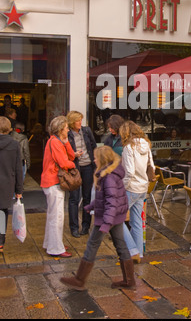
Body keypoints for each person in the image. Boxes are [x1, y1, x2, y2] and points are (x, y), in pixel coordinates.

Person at [60, 146, 135, 291]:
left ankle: (79, 280)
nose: (93, 159)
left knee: (92, 245)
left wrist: (106, 224)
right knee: (121, 247)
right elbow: (106, 198)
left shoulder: (108, 177)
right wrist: (91, 206)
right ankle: (129, 281)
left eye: (95, 157)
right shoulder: (111, 174)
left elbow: (111, 203)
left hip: (107, 218)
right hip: (116, 217)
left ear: (102, 160)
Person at [119, 121, 155, 263]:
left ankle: (133, 250)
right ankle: (139, 253)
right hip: (143, 187)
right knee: (137, 221)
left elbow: (129, 171)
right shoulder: (146, 144)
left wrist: (122, 186)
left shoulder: (129, 147)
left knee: (116, 219)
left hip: (131, 187)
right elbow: (151, 166)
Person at [41, 116, 76, 258]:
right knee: (57, 216)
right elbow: (66, 163)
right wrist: (73, 166)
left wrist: (67, 142)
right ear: (61, 129)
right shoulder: (55, 143)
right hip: (54, 181)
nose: (68, 129)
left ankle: (51, 243)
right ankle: (56, 248)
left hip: (51, 181)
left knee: (53, 215)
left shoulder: (56, 141)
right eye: (67, 128)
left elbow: (71, 156)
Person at [67, 111, 97, 237]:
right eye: (78, 120)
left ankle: (85, 226)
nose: (80, 123)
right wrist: (74, 155)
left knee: (87, 197)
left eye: (81, 120)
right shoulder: (67, 134)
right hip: (75, 168)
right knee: (74, 198)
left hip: (88, 167)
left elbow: (94, 146)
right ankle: (74, 227)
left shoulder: (86, 131)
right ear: (72, 122)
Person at [0, 117, 23, 252]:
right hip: (6, 184)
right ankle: (0, 242)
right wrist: (19, 189)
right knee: (2, 212)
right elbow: (18, 168)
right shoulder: (14, 145)